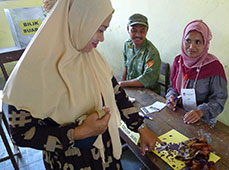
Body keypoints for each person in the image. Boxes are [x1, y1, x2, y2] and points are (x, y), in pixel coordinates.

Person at [2, 0, 162, 169]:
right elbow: (21, 134)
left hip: (106, 159)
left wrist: (141, 128)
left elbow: (118, 95)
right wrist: (78, 133)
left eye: (104, 30)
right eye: (100, 30)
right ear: (78, 21)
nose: (102, 38)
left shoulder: (93, 58)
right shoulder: (33, 72)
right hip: (68, 163)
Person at [166, 20, 228, 127]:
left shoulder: (214, 67)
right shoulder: (179, 61)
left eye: (198, 42)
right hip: (178, 113)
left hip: (203, 120)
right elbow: (172, 87)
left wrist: (200, 112)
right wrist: (171, 97)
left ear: (205, 44)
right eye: (188, 40)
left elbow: (219, 100)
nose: (191, 47)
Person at [119, 13, 161, 94]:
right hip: (130, 88)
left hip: (148, 93)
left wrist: (123, 84)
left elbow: (147, 79)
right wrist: (122, 87)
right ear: (128, 29)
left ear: (147, 30)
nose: (138, 35)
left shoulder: (151, 53)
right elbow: (126, 67)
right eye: (134, 30)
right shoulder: (128, 45)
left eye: (142, 31)